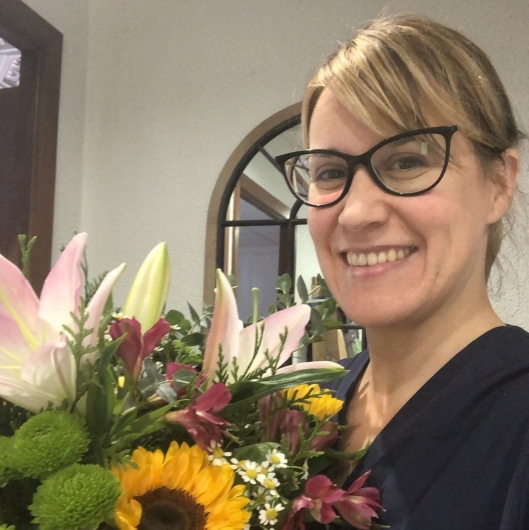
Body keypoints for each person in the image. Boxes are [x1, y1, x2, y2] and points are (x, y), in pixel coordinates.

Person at [275, 14, 528, 530]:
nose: (356, 213)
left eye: (408, 162)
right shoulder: (301, 410)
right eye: (330, 172)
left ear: (499, 183)